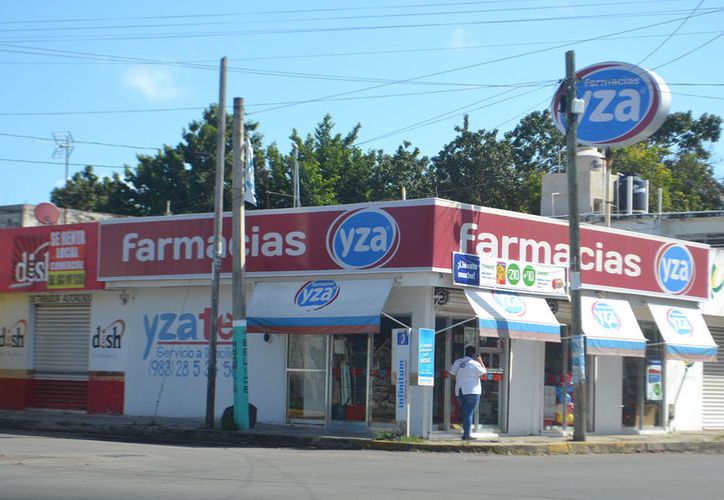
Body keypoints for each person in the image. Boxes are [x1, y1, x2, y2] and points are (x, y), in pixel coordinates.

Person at [449, 345, 487, 440]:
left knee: (466, 413)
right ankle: (466, 435)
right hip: (472, 391)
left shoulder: (457, 362)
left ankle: (466, 433)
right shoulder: (475, 363)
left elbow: (451, 374)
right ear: (474, 354)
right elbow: (484, 373)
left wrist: (460, 379)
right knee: (468, 413)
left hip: (460, 391)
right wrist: (481, 361)